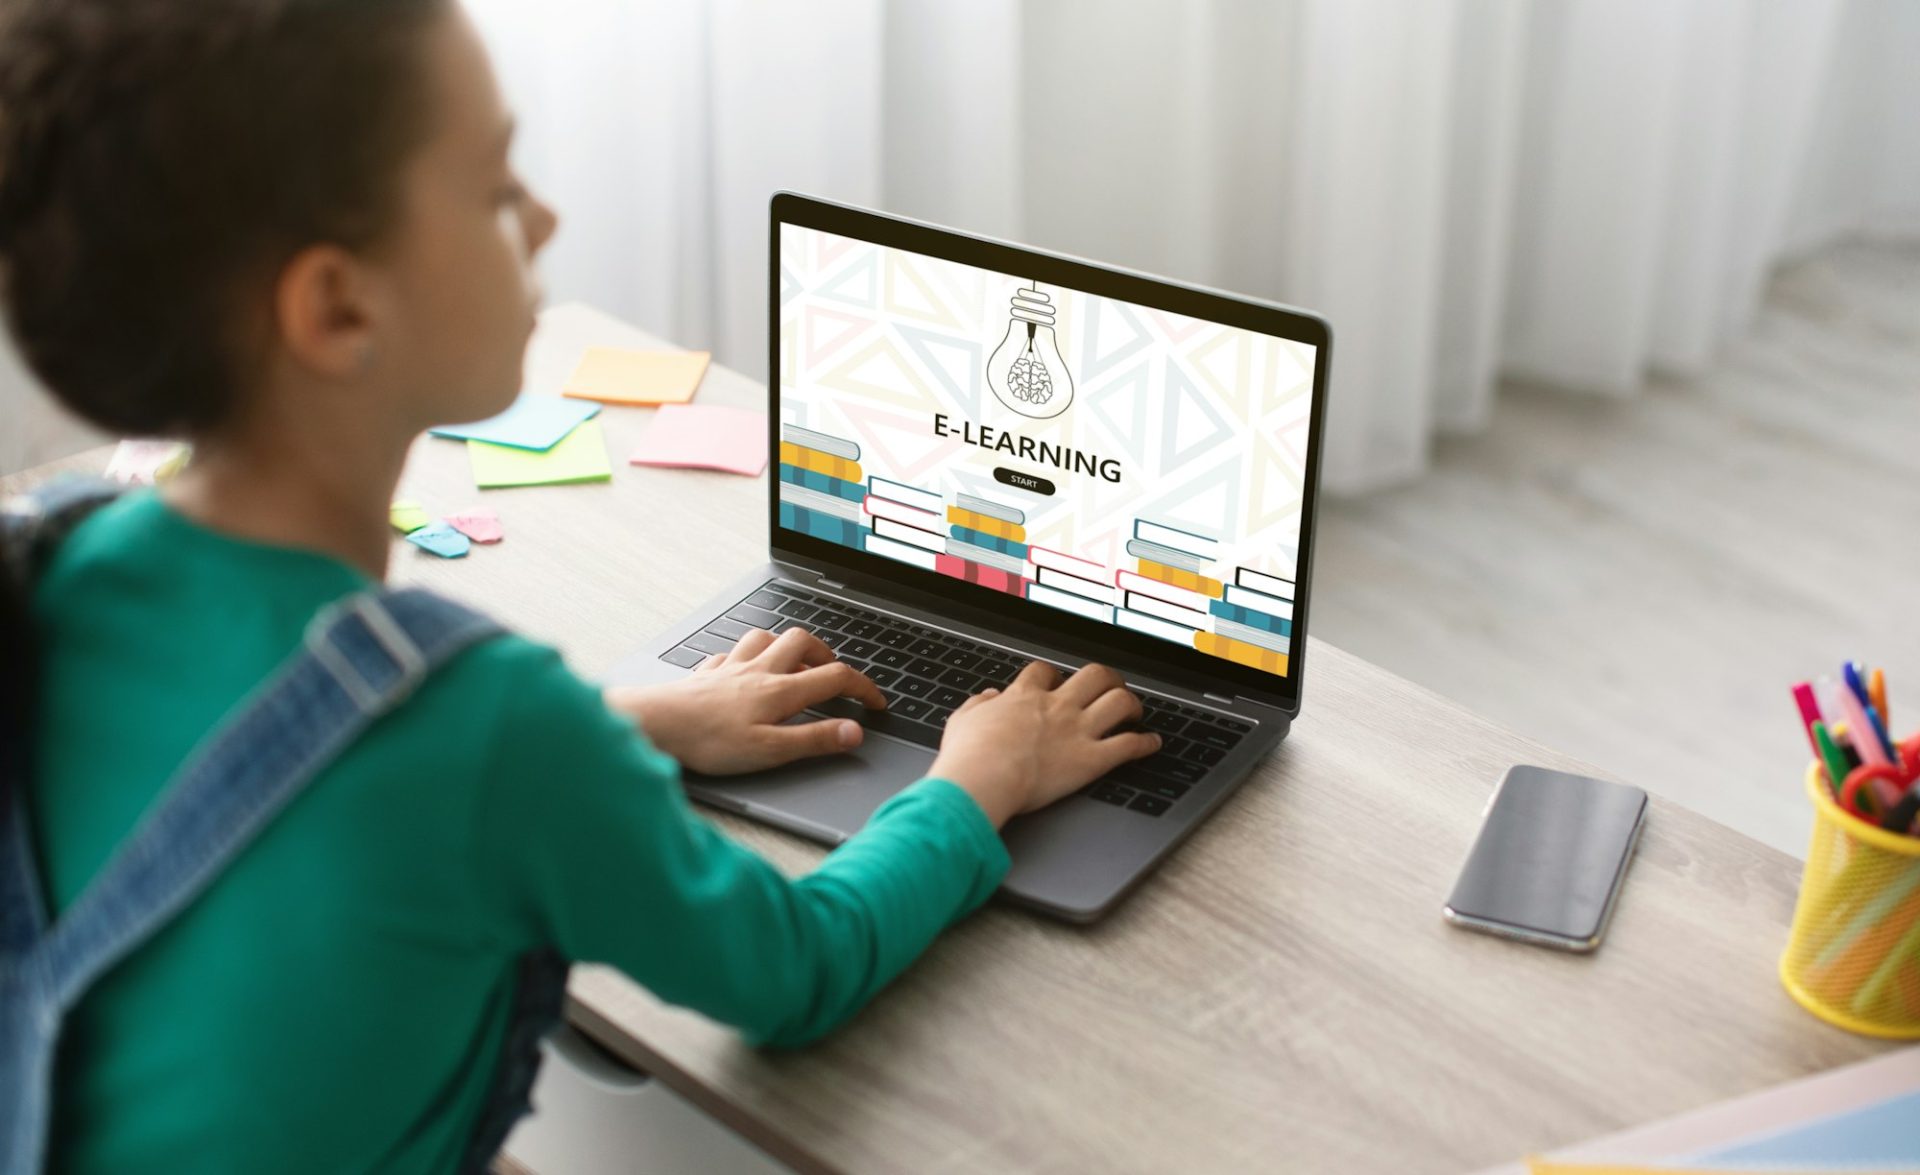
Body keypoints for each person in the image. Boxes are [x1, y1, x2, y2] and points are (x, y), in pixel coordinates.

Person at [0, 0, 1162, 1170]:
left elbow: (290, 775)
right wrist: (976, 778)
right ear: (338, 307)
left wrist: (628, 720)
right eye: (498, 187)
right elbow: (793, 968)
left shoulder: (49, 561)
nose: (545, 216)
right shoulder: (488, 725)